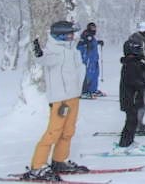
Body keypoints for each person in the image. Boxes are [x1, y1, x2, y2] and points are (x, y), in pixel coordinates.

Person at [23, 20, 88, 181]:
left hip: (73, 96)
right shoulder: (53, 51)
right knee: (53, 133)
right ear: (61, 35)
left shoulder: (71, 49)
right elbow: (43, 59)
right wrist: (38, 53)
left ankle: (59, 160)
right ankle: (37, 166)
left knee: (68, 131)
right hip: (60, 100)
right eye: (70, 33)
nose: (73, 36)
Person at [114, 39, 145, 154]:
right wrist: (143, 84)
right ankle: (124, 144)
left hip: (134, 97)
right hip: (130, 98)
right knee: (131, 121)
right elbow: (132, 80)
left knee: (133, 120)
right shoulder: (130, 64)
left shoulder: (136, 62)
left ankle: (128, 142)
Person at [77, 22, 105, 98]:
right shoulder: (86, 35)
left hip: (94, 58)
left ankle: (93, 90)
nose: (94, 30)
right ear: (89, 28)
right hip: (88, 59)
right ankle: (84, 91)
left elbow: (93, 43)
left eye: (95, 28)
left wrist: (98, 42)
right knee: (88, 75)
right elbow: (80, 46)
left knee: (95, 74)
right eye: (92, 28)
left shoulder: (91, 36)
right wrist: (85, 46)